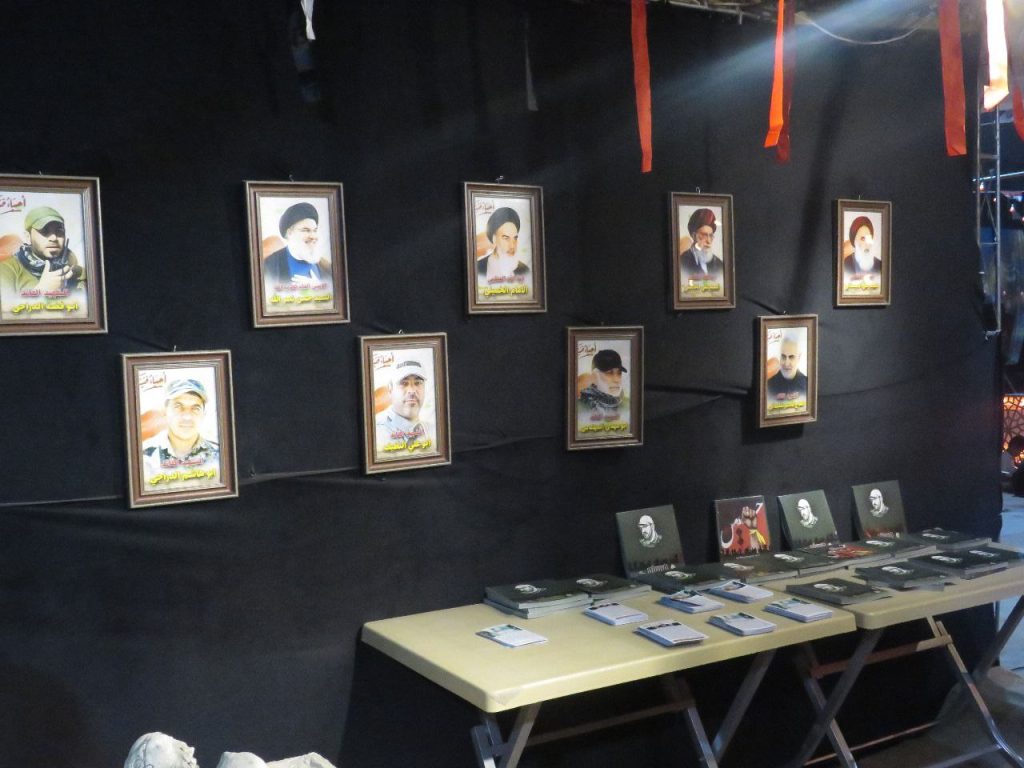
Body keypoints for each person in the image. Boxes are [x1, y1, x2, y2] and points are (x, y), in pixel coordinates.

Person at [0, 206, 85, 308]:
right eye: (45, 231)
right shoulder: (7, 270)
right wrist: (41, 291)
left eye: (59, 231)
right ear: (28, 237)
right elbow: (6, 313)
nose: (54, 237)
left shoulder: (80, 273)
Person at [142, 378, 220, 486]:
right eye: (178, 407)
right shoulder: (143, 457)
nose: (187, 417)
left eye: (195, 408)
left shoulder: (220, 457)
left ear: (203, 414)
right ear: (165, 412)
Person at [375, 354, 434, 455]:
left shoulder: (433, 430)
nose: (412, 390)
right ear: (390, 389)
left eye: (418, 383)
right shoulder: (377, 432)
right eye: (404, 383)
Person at [263, 202, 332, 288]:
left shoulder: (326, 267)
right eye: (305, 230)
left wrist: (319, 287)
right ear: (289, 233)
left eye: (315, 230)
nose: (313, 236)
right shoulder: (270, 265)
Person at [476, 206, 529, 286]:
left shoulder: (524, 271)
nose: (512, 245)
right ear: (494, 239)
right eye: (506, 238)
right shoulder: (477, 268)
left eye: (515, 238)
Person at [578, 349, 629, 424]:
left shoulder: (628, 405)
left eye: (619, 373)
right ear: (595, 376)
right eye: (609, 373)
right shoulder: (579, 407)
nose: (616, 380)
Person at [679, 208, 724, 282]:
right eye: (704, 235)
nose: (708, 241)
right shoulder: (682, 262)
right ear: (694, 236)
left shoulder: (719, 265)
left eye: (711, 236)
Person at [766, 334, 807, 402]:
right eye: (783, 356)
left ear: (799, 357)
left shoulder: (807, 384)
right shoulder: (768, 385)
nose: (786, 363)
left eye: (791, 357)